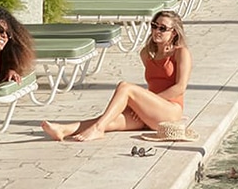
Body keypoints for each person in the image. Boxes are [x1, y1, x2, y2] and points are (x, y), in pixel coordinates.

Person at [41, 10, 192, 142]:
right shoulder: (146, 53)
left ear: (174, 32)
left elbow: (179, 88)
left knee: (125, 87)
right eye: (154, 25)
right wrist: (142, 104)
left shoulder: (181, 53)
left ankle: (98, 129)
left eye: (163, 28)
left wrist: (145, 101)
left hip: (170, 111)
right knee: (111, 119)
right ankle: (63, 129)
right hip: (152, 111)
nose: (157, 31)